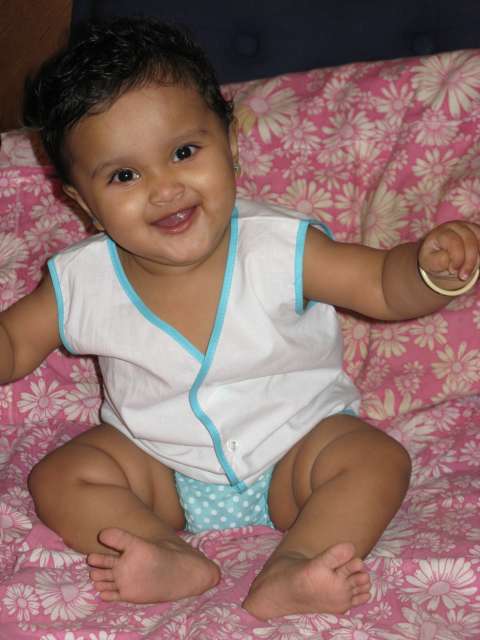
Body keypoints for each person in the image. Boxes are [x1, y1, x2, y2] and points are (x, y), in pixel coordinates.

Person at [3, 16, 479, 620]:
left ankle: (295, 564)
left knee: (376, 460)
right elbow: (14, 343)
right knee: (60, 477)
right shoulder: (81, 281)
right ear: (83, 203)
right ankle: (163, 551)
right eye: (124, 175)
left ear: (229, 146)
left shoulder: (279, 246)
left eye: (183, 152)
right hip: (157, 466)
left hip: (297, 451)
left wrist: (428, 271)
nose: (164, 188)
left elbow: (382, 285)